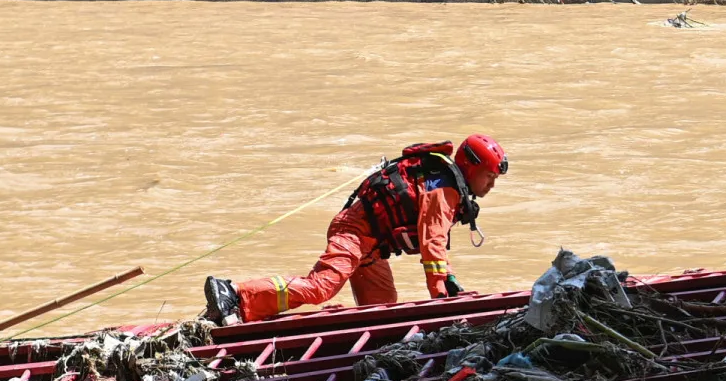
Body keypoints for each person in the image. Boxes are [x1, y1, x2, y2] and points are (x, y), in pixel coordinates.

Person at [203, 135, 507, 325]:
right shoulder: (444, 190)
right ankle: (233, 294)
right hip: (355, 231)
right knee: (321, 287)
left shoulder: (440, 180)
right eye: (488, 177)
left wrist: (446, 284)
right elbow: (433, 246)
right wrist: (443, 299)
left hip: (371, 248)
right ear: (470, 168)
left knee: (382, 314)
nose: (491, 185)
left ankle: (244, 313)